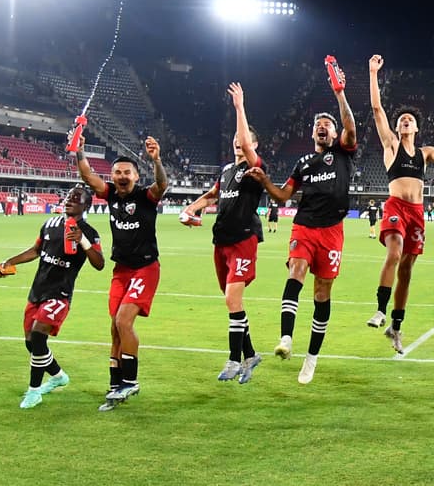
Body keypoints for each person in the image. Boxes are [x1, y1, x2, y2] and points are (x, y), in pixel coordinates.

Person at [249, 64, 358, 385]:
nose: (322, 128)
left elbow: (350, 125)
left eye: (328, 125)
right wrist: (265, 181)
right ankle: (286, 338)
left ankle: (311, 359)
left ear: (335, 134)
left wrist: (340, 93)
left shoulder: (343, 153)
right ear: (312, 134)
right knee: (295, 269)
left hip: (333, 232)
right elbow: (283, 195)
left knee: (322, 293)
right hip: (305, 227)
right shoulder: (303, 163)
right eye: (318, 125)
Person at [364, 55, 434, 353]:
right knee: (394, 254)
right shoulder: (391, 145)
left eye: (411, 120)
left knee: (407, 270)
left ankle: (396, 325)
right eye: (402, 119)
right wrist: (373, 73)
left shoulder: (426, 152)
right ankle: (380, 310)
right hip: (395, 207)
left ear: (417, 128)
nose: (405, 121)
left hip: (417, 213)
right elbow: (377, 109)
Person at [0, 186, 104, 409]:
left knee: (39, 336)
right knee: (31, 344)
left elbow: (99, 263)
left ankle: (34, 391)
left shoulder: (89, 232)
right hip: (38, 290)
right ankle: (59, 376)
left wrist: (82, 241)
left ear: (86, 206)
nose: (70, 200)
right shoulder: (50, 224)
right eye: (69, 197)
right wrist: (9, 262)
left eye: (76, 198)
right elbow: (35, 250)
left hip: (59, 294)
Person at [181, 83, 265, 384]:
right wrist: (190, 208)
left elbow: (246, 140)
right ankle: (251, 354)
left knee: (232, 300)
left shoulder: (255, 168)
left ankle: (233, 360)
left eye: (243, 141)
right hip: (222, 242)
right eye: (234, 140)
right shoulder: (228, 170)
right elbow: (211, 195)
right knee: (234, 304)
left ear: (253, 145)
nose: (237, 143)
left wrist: (240, 108)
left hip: (244, 239)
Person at [77, 136, 168, 411]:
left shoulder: (145, 196)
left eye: (127, 172)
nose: (122, 176)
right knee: (114, 328)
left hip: (146, 269)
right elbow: (87, 174)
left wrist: (156, 160)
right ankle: (115, 385)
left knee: (124, 321)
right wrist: (79, 149)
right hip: (121, 271)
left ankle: (131, 380)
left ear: (136, 176)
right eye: (117, 172)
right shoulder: (110, 194)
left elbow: (161, 184)